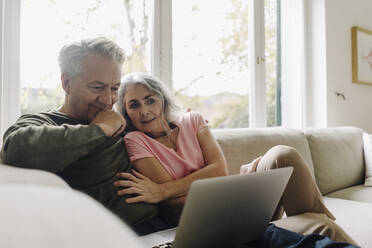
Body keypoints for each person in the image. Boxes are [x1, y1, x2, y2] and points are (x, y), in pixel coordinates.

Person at [115, 72, 358, 246]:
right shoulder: (135, 140)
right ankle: (323, 226)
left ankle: (320, 224)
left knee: (282, 155)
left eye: (150, 100)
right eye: (134, 105)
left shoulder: (192, 121)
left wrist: (163, 189)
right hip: (209, 222)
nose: (144, 110)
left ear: (162, 100)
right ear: (127, 114)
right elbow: (175, 203)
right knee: (320, 226)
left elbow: (219, 171)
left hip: (236, 203)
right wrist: (177, 190)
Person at [0, 38, 159, 228]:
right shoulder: (44, 122)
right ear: (67, 83)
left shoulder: (123, 118)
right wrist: (100, 129)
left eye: (115, 88)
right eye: (97, 87)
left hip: (160, 225)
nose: (108, 99)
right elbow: (16, 150)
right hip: (113, 235)